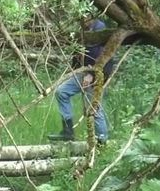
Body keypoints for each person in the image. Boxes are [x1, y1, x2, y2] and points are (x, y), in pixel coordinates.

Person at [48, 15, 114, 144]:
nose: (82, 20)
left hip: (96, 74)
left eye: (84, 17)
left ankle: (102, 140)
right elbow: (79, 52)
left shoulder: (99, 30)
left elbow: (101, 56)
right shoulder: (84, 30)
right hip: (83, 73)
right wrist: (73, 69)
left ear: (90, 16)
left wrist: (92, 75)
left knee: (93, 107)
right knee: (62, 92)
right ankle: (68, 132)